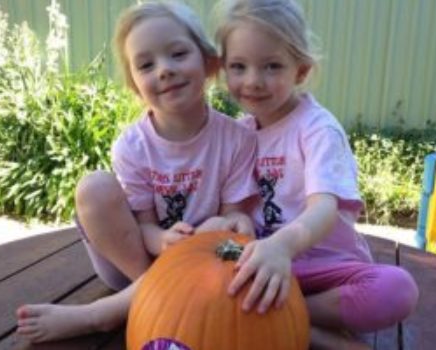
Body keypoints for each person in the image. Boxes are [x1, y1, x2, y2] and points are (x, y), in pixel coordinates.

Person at [15, 0, 258, 343]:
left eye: (177, 54)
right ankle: (154, 298)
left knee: (221, 225)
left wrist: (228, 228)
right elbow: (142, 225)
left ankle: (105, 313)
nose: (164, 70)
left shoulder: (237, 139)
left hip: (204, 269)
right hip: (134, 264)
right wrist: (160, 239)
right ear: (134, 85)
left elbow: (231, 227)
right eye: (146, 64)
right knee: (94, 187)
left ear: (208, 63)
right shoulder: (132, 146)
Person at [215, 0, 419, 348]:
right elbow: (231, 205)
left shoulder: (317, 129)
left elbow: (324, 208)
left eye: (272, 66)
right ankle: (302, 328)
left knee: (397, 290)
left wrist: (281, 246)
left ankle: (289, 319)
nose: (253, 81)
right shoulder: (238, 132)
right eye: (238, 66)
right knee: (203, 279)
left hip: (325, 270)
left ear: (301, 70)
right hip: (262, 265)